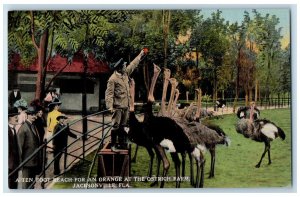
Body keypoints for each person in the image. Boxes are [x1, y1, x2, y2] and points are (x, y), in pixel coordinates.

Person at [105, 49, 145, 152]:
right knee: (116, 126)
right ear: (119, 68)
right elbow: (109, 94)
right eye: (123, 66)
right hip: (117, 108)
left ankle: (122, 144)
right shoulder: (112, 79)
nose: (125, 67)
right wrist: (110, 107)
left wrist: (140, 55)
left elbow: (133, 64)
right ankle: (113, 145)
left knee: (123, 126)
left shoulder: (125, 74)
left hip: (125, 107)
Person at [17, 106, 42, 189]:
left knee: (32, 184)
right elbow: (19, 147)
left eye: (35, 114)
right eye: (32, 114)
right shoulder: (23, 128)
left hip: (34, 162)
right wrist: (21, 164)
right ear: (27, 115)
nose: (34, 116)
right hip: (27, 163)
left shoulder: (33, 126)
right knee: (26, 185)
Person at [8, 107, 20, 189]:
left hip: (15, 165)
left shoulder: (14, 129)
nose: (17, 119)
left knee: (14, 185)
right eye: (15, 117)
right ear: (9, 118)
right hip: (9, 166)